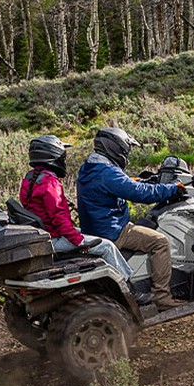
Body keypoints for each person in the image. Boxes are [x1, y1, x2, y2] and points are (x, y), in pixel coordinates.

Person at [77, 127, 185, 310]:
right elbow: (139, 193)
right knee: (160, 242)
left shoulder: (89, 168)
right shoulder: (107, 173)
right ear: (116, 147)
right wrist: (173, 188)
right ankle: (162, 297)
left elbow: (123, 184)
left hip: (94, 228)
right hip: (113, 231)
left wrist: (139, 181)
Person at [19, 135, 133, 283]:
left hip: (45, 234)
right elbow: (58, 217)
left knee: (89, 233)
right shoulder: (50, 183)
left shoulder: (30, 178)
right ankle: (128, 283)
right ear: (52, 155)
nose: (63, 159)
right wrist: (78, 241)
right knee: (107, 246)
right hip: (54, 237)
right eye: (62, 156)